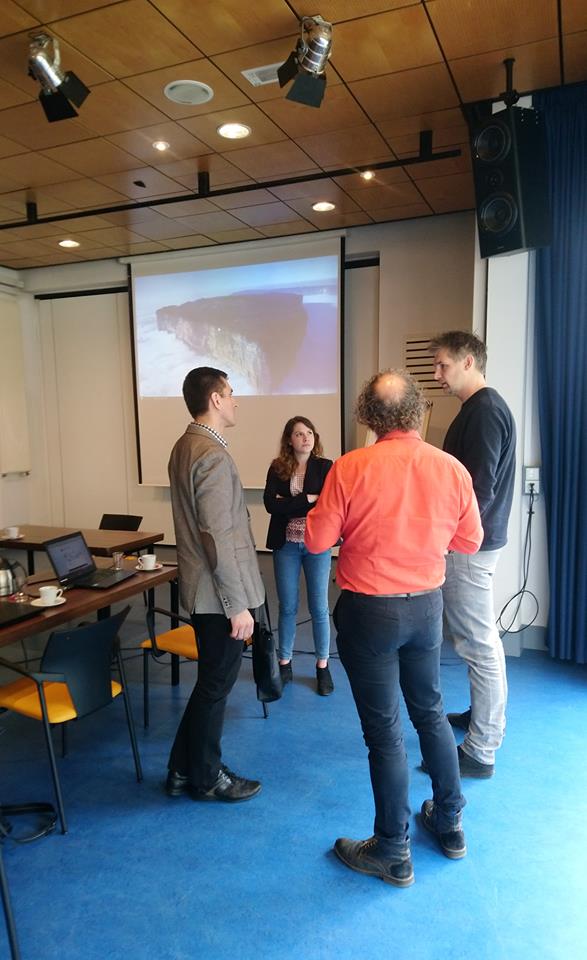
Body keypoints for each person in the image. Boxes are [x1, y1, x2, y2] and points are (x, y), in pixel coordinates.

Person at [306, 370, 483, 887]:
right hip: (426, 608)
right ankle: (449, 823)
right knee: (430, 713)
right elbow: (470, 541)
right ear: (417, 412)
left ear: (368, 415)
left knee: (384, 733)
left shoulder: (349, 467)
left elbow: (316, 542)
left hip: (369, 613)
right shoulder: (450, 468)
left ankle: (392, 850)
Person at [166, 366, 265, 803]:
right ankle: (207, 777)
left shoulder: (185, 446)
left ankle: (180, 769)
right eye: (231, 392)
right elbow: (216, 537)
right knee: (216, 686)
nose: (236, 400)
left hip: (204, 591)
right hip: (218, 596)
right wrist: (235, 604)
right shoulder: (211, 455)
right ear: (216, 399)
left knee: (210, 682)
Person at [430, 331, 516, 779]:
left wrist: (450, 539)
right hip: (476, 543)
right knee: (478, 642)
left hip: (469, 547)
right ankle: (481, 717)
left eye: (443, 365)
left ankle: (482, 749)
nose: (437, 374)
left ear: (468, 362)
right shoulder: (480, 408)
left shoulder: (484, 412)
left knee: (479, 645)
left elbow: (479, 490)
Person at [263, 417, 334, 696]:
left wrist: (289, 504)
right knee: (288, 607)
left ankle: (323, 666)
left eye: (309, 433)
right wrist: (307, 500)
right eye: (299, 434)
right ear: (289, 440)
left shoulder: (325, 467)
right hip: (286, 545)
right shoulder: (277, 467)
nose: (306, 438)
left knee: (319, 607)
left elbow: (328, 503)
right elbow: (270, 505)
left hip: (317, 544)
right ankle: (285, 663)